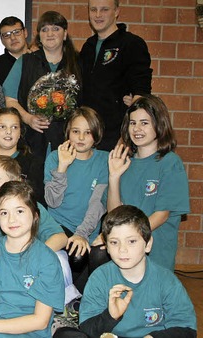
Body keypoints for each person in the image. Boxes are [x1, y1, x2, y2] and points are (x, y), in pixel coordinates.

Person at [57, 205, 197, 338]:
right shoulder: (99, 278)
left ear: (147, 244)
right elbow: (87, 328)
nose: (122, 249)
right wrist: (110, 316)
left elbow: (187, 329)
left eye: (131, 241)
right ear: (107, 247)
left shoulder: (166, 280)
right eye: (114, 242)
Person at [0, 181, 64, 338]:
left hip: (28, 333)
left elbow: (40, 321)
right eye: (4, 213)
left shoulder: (47, 259)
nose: (11, 219)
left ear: (35, 215)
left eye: (19, 211)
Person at [106, 95, 189, 271]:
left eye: (144, 123)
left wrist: (127, 237)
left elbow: (161, 215)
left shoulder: (170, 163)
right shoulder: (123, 163)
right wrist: (114, 177)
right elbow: (114, 213)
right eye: (132, 123)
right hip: (124, 251)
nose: (137, 129)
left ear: (159, 125)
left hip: (155, 255)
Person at [44, 107, 109, 290]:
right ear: (68, 133)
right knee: (73, 257)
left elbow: (98, 203)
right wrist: (62, 167)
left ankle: (82, 302)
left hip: (88, 228)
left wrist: (81, 234)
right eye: (76, 131)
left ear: (96, 135)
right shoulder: (55, 157)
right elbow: (52, 201)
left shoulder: (104, 160)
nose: (81, 138)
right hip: (58, 226)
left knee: (93, 256)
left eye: (88, 132)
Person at [80, 0, 152, 151]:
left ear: (116, 12)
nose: (98, 15)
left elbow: (142, 92)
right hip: (89, 132)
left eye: (104, 9)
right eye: (93, 10)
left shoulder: (131, 44)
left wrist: (126, 134)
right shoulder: (88, 46)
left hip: (116, 135)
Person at [3, 11, 82, 160]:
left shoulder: (78, 63)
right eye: (45, 30)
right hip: (32, 140)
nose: (50, 34)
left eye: (56, 29)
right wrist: (28, 118)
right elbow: (10, 99)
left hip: (69, 139)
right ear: (39, 36)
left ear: (65, 34)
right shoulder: (25, 62)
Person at [0, 107, 45, 206]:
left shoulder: (33, 163)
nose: (8, 131)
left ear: (20, 133)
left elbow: (39, 202)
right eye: (2, 127)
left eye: (14, 127)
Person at [0, 16, 29, 85]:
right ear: (1, 39)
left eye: (17, 32)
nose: (13, 38)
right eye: (7, 35)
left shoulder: (40, 62)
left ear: (25, 33)